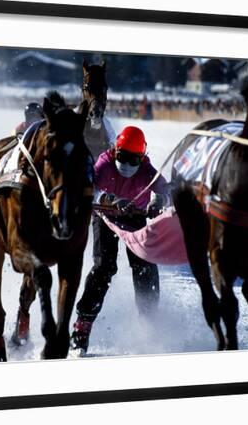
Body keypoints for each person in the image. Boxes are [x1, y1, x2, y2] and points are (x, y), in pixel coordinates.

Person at [70, 125, 171, 356]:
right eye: (122, 156)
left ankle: (150, 323)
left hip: (134, 218)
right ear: (115, 151)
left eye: (133, 159)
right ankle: (82, 328)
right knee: (104, 267)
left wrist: (159, 200)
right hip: (104, 217)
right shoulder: (104, 165)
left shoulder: (147, 171)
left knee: (145, 265)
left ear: (142, 157)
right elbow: (90, 189)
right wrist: (109, 198)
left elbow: (165, 188)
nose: (126, 164)